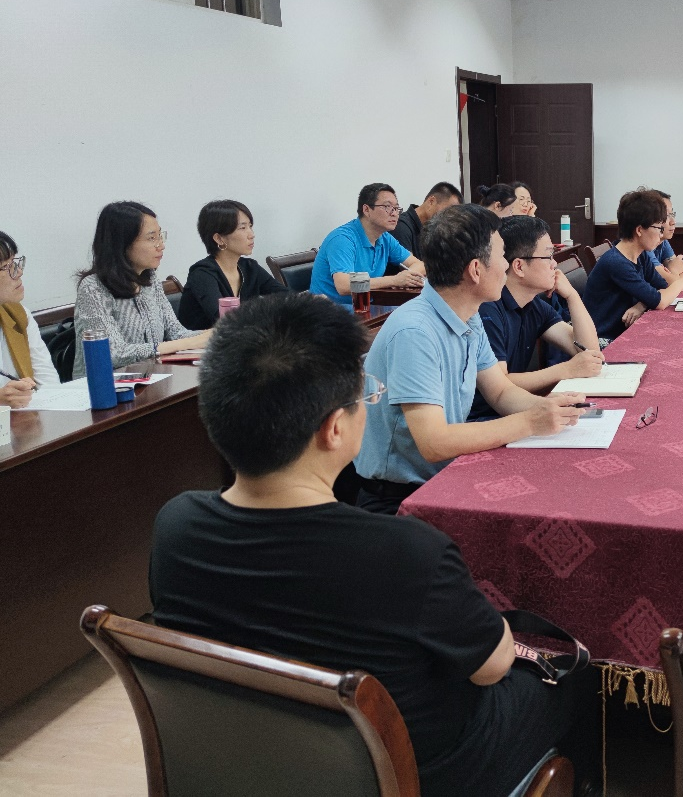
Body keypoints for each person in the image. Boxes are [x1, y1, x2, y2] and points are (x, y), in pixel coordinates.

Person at [148, 293, 590, 797]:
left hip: (248, 766)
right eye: (365, 397)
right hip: (415, 772)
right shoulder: (406, 551)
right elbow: (492, 667)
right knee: (572, 675)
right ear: (335, 429)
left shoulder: (175, 527)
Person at [353, 205, 587, 514]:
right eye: (502, 256)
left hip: (445, 475)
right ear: (476, 270)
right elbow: (434, 442)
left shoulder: (469, 315)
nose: (507, 266)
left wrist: (547, 407)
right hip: (400, 499)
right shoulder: (415, 332)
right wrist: (530, 421)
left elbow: (499, 391)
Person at [469, 216, 604, 421]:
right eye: (548, 256)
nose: (554, 264)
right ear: (519, 266)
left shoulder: (534, 305)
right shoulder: (488, 309)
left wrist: (572, 296)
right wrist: (566, 369)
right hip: (485, 419)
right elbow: (500, 384)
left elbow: (588, 350)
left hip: (518, 409)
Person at [73, 202, 209, 377]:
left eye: (160, 236)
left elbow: (177, 333)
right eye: (152, 238)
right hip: (104, 387)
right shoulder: (93, 288)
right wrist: (187, 343)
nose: (161, 245)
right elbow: (113, 353)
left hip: (150, 379)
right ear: (122, 243)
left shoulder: (150, 280)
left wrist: (217, 334)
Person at [583, 190, 683, 341]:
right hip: (603, 340)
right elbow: (660, 301)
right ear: (640, 230)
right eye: (659, 228)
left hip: (624, 332)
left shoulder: (641, 256)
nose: (661, 234)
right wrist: (680, 284)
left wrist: (644, 303)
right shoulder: (617, 262)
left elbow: (663, 286)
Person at [178, 200, 288, 330]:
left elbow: (286, 297)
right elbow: (225, 320)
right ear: (219, 238)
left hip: (241, 338)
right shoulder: (202, 274)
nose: (251, 235)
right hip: (202, 342)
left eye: (250, 226)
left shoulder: (250, 268)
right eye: (242, 228)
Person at [310, 183, 426, 305]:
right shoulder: (342, 239)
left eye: (396, 208)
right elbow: (344, 286)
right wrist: (394, 280)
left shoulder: (385, 238)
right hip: (331, 310)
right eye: (387, 207)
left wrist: (407, 277)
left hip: (366, 307)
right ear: (366, 210)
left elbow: (419, 265)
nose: (394, 213)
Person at [0, 232, 60, 406]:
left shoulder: (18, 315)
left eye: (15, 263)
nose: (19, 272)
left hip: (26, 418)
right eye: (7, 267)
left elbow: (49, 384)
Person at [393, 182, 462, 257]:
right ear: (431, 201)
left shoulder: (436, 231)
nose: (449, 219)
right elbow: (408, 264)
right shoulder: (401, 226)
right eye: (448, 211)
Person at [646, 189, 683, 283]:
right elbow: (669, 282)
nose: (673, 222)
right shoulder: (645, 247)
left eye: (672, 214)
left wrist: (674, 270)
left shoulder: (663, 241)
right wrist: (673, 270)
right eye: (666, 216)